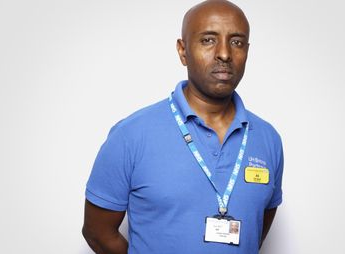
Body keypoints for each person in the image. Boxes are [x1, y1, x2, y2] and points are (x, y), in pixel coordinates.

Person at [82, 0, 284, 253]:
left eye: (237, 42)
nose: (224, 53)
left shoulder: (268, 139)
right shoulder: (132, 135)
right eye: (208, 40)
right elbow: (97, 232)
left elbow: (255, 232)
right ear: (183, 51)